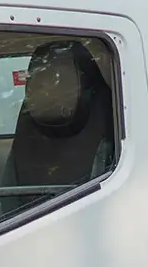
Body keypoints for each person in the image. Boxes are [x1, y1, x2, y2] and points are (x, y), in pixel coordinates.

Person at [7, 40, 114, 193]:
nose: (46, 89)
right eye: (40, 80)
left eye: (58, 78)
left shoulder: (106, 119)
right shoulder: (29, 123)